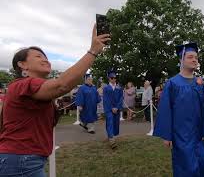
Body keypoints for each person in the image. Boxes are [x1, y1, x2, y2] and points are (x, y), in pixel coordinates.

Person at [0, 24, 110, 176]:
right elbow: (62, 85)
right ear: (22, 64)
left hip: (26, 160)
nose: (46, 60)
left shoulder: (34, 89)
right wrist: (93, 51)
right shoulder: (23, 84)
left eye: (46, 57)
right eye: (39, 57)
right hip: (21, 161)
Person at [153, 42, 204, 177]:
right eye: (190, 57)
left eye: (196, 57)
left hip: (198, 134)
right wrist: (167, 136)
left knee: (201, 164)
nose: (194, 60)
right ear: (181, 60)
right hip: (181, 134)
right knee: (185, 167)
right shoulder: (172, 83)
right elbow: (166, 110)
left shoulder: (200, 82)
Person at [103, 70, 123, 149]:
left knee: (115, 123)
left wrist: (117, 107)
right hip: (109, 109)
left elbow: (121, 98)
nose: (114, 79)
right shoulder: (106, 88)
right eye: (112, 78)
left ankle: (111, 136)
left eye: (115, 78)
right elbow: (106, 99)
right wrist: (111, 108)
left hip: (116, 109)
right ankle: (112, 140)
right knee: (110, 122)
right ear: (109, 79)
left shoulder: (119, 88)